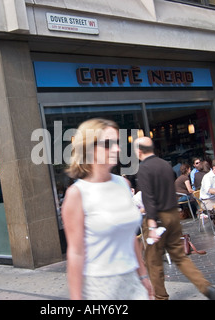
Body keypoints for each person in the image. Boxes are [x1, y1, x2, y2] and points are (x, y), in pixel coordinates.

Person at [61, 118, 153, 300]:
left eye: (117, 143)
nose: (117, 149)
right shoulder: (77, 194)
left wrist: (143, 275)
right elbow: (75, 253)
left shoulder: (123, 184)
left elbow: (129, 236)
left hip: (132, 280)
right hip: (99, 286)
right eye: (108, 144)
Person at [134, 136, 215, 300]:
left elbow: (149, 198)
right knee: (180, 256)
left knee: (153, 262)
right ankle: (206, 288)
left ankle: (160, 297)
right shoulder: (165, 165)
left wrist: (152, 225)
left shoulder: (144, 168)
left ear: (139, 151)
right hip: (173, 215)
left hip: (157, 218)